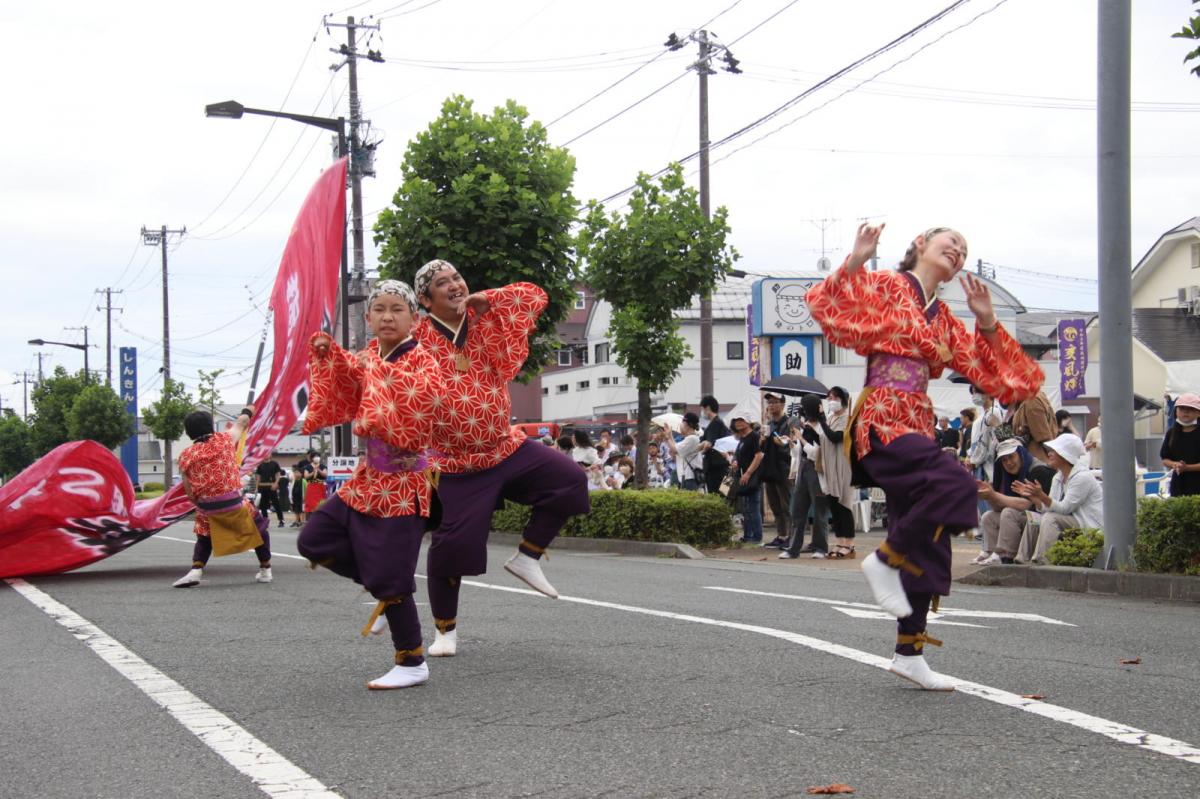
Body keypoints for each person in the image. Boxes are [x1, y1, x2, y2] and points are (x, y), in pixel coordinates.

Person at [806, 223, 1043, 691]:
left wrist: (989, 320)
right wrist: (856, 258)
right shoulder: (888, 286)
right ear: (920, 245)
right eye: (948, 242)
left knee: (929, 544)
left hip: (916, 420)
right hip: (883, 416)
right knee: (956, 483)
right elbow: (826, 304)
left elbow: (1006, 381)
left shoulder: (947, 320)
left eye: (964, 248)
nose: (957, 250)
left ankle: (908, 652)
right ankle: (886, 560)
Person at [412, 259, 590, 658]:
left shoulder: (483, 316)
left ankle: (528, 557)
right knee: (451, 547)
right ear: (425, 299)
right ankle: (445, 631)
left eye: (457, 276)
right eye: (443, 284)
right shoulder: (416, 337)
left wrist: (488, 299)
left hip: (504, 447)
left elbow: (534, 296)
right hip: (457, 463)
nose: (456, 285)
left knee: (569, 480)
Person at [297, 280, 443, 690]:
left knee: (394, 578)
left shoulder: (424, 361)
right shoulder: (368, 356)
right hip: (367, 479)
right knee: (314, 539)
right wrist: (331, 355)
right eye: (379, 309)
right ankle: (379, 584)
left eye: (397, 309)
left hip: (405, 480)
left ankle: (412, 660)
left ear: (414, 318)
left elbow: (421, 406)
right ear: (368, 317)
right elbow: (346, 376)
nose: (387, 316)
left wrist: (373, 377)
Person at [172, 405, 273, 588]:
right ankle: (265, 569)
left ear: (188, 432)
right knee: (260, 529)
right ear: (211, 426)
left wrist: (203, 506)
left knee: (204, 536)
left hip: (207, 507)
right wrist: (248, 410)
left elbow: (189, 491)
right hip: (235, 503)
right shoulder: (224, 440)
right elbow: (242, 422)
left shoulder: (185, 456)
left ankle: (196, 570)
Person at [1013, 433, 1103, 563]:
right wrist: (1034, 497)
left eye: (1054, 451)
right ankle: (1021, 559)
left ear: (1066, 455)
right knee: (1035, 518)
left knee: (1050, 519)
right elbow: (1048, 508)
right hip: (1071, 519)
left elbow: (1064, 508)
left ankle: (1042, 560)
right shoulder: (1058, 477)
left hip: (1088, 524)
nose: (1049, 454)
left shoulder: (1082, 477)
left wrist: (1042, 495)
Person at [974, 438, 1054, 564]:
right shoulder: (1008, 475)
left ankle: (1006, 556)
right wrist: (989, 496)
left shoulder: (1038, 470)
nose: (1008, 463)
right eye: (1004, 460)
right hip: (1028, 517)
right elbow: (998, 507)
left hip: (1043, 519)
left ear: (1021, 454)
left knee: (1008, 513)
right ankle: (990, 552)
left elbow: (1027, 504)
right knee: (988, 516)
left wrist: (994, 495)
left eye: (1011, 457)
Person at [779, 394, 829, 559]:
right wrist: (793, 443)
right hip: (803, 469)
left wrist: (802, 439)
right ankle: (793, 548)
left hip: (817, 471)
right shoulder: (804, 425)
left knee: (819, 511)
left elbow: (817, 454)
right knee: (797, 511)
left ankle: (820, 547)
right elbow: (798, 453)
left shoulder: (823, 427)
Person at [815, 386, 858, 559]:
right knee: (834, 503)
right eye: (829, 397)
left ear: (844, 399)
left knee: (844, 503)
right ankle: (840, 541)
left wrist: (822, 421)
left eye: (835, 397)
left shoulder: (848, 418)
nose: (831, 400)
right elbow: (824, 438)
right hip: (830, 466)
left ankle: (849, 544)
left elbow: (835, 437)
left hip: (844, 465)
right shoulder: (832, 417)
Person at [759, 393, 794, 548]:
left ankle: (791, 537)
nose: (771, 405)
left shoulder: (790, 423)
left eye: (774, 402)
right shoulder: (768, 424)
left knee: (787, 505)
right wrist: (761, 440)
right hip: (770, 469)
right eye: (769, 402)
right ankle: (781, 535)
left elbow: (791, 446)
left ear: (783, 404)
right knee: (775, 506)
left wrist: (780, 442)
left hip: (784, 469)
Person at [730, 413, 765, 543]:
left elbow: (759, 456)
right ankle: (748, 535)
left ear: (748, 422)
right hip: (743, 476)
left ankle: (757, 537)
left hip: (753, 477)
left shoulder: (753, 437)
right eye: (736, 420)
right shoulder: (742, 438)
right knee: (746, 508)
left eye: (741, 420)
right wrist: (735, 462)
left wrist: (748, 473)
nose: (738, 423)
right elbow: (741, 456)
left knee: (753, 507)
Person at [1159, 392, 1200, 497]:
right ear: (1176, 412)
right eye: (1181, 408)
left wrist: (1187, 467)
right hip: (1178, 486)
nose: (1185, 411)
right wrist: (1175, 465)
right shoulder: (1171, 433)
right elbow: (1165, 458)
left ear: (1198, 413)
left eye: (1190, 409)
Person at [698, 395, 731, 494]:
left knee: (717, 496)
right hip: (724, 467)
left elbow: (708, 444)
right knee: (725, 495)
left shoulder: (715, 423)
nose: (703, 412)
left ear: (707, 408)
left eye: (702, 409)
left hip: (716, 469)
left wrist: (700, 450)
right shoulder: (719, 422)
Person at [664, 412, 704, 490]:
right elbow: (676, 447)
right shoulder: (689, 438)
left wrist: (667, 438)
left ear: (688, 425)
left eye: (682, 423)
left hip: (690, 479)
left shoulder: (692, 439)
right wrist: (669, 435)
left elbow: (675, 450)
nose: (680, 425)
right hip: (686, 479)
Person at [255, 453, 286, 527]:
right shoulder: (260, 465)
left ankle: (281, 520)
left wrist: (276, 483)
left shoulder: (274, 464)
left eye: (268, 454)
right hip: (262, 486)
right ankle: (265, 521)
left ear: (270, 455)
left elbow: (278, 475)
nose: (266, 455)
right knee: (263, 505)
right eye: (265, 454)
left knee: (276, 504)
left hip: (272, 486)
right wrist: (257, 487)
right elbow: (258, 477)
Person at [302, 453, 328, 518]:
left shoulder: (322, 466)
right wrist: (313, 472)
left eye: (318, 456)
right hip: (311, 486)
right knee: (310, 503)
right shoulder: (307, 467)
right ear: (312, 458)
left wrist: (318, 470)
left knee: (321, 502)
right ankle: (310, 518)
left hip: (320, 486)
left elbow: (325, 475)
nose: (317, 458)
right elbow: (306, 476)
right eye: (315, 456)